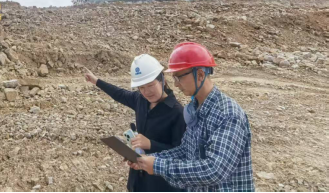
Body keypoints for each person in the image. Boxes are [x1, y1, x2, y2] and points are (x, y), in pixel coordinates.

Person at [128, 42, 255, 192]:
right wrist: (146, 160)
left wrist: (157, 165)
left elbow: (214, 170)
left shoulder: (228, 114)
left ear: (200, 74)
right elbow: (185, 151)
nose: (176, 85)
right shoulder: (195, 109)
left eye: (179, 77)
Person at [85, 54, 186, 192]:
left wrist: (150, 144)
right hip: (138, 179)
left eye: (151, 85)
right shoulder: (141, 100)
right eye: (141, 87)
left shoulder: (177, 113)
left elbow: (181, 154)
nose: (147, 92)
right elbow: (120, 94)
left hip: (161, 184)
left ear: (162, 80)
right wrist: (96, 81)